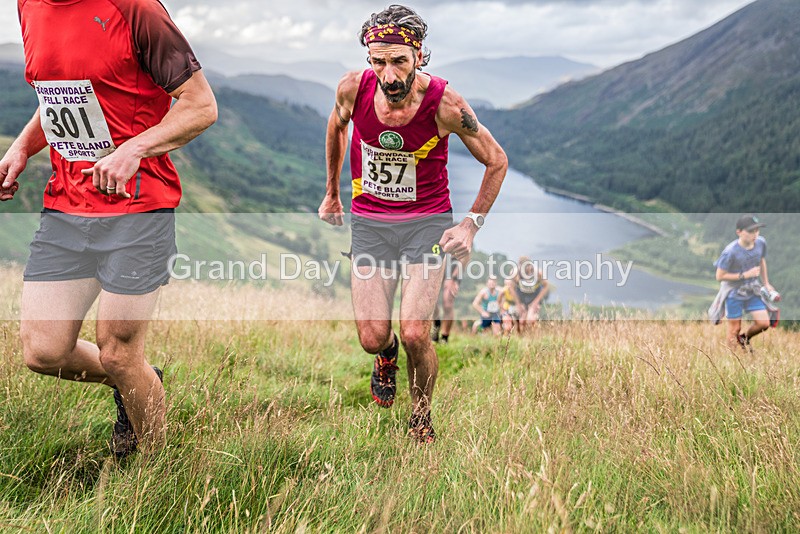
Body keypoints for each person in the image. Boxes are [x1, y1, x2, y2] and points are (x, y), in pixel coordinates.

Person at [0, 0, 217, 458]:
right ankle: (141, 380)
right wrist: (22, 148)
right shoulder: (27, 7)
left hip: (138, 208)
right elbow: (59, 97)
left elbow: (200, 105)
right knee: (43, 351)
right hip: (66, 206)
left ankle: (156, 472)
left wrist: (134, 149)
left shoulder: (136, 9)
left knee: (118, 351)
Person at [317, 5, 507, 443]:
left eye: (399, 61)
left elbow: (497, 160)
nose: (389, 74)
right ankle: (385, 356)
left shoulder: (446, 104)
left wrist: (470, 226)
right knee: (372, 336)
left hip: (427, 226)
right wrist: (331, 192)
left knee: (417, 332)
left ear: (419, 56)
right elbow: (336, 127)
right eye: (378, 61)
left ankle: (420, 416)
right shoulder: (352, 89)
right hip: (370, 224)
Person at [711, 215, 778, 350]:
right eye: (751, 231)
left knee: (764, 323)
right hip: (733, 293)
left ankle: (744, 339)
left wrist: (766, 283)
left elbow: (761, 260)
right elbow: (719, 276)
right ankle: (734, 359)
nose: (755, 234)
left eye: (757, 230)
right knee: (734, 328)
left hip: (752, 290)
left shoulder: (760, 243)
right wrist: (744, 275)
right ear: (739, 232)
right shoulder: (730, 252)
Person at [516, 256, 549, 332]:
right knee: (522, 321)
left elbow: (546, 285)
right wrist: (518, 303)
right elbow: (511, 286)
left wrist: (536, 302)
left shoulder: (538, 273)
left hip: (534, 297)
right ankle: (522, 337)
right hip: (523, 298)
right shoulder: (516, 273)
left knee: (530, 320)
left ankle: (534, 335)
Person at [431, 261, 461, 343]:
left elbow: (465, 256)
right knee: (431, 301)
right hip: (434, 264)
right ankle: (436, 323)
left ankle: (444, 337)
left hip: (452, 267)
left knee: (447, 304)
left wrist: (455, 278)